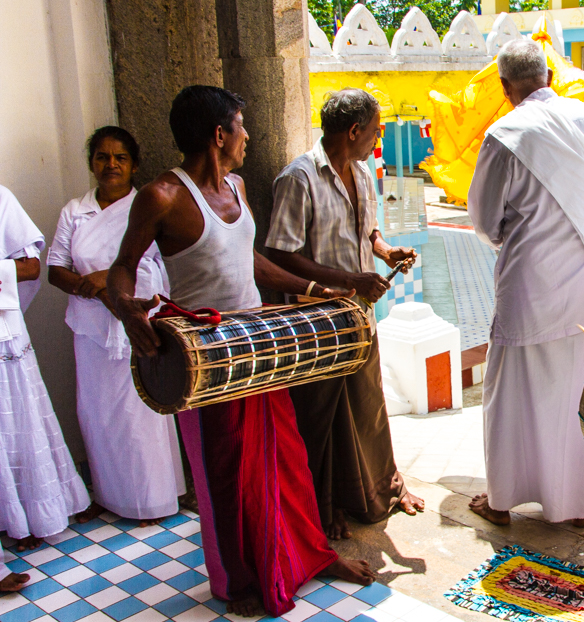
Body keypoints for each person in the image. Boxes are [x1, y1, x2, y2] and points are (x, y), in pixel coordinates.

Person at [107, 85, 375, 618]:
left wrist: (320, 290)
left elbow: (248, 261)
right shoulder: (162, 196)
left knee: (285, 457)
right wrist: (125, 308)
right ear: (219, 135)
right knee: (224, 474)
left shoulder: (238, 185)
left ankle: (308, 555)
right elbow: (122, 267)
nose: (248, 136)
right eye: (241, 125)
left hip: (256, 345)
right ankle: (240, 580)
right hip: (204, 358)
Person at [466, 38, 584, 528]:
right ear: (548, 75)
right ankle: (573, 507)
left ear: (506, 87)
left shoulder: (504, 133)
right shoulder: (583, 117)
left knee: (510, 391)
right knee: (574, 389)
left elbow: (486, 221)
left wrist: (518, 232)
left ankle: (501, 500)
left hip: (529, 282)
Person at [266, 88, 424, 541]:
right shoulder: (299, 178)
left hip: (357, 316)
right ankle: (324, 508)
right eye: (375, 132)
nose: (378, 141)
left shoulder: (361, 170)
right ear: (353, 131)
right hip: (318, 321)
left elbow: (366, 227)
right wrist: (351, 279)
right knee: (323, 418)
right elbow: (280, 254)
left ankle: (387, 490)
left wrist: (385, 249)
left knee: (368, 406)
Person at [47, 126, 185, 526]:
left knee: (140, 412)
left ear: (134, 164)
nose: (111, 165)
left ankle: (152, 500)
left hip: (138, 324)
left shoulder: (148, 205)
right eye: (102, 157)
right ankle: (109, 495)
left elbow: (160, 266)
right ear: (92, 163)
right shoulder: (75, 211)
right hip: (90, 330)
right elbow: (56, 270)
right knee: (98, 412)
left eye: (120, 158)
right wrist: (91, 287)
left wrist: (109, 278)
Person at [0, 185, 91, 551]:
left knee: (17, 421)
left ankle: (30, 515)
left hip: (4, 334)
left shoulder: (1, 198)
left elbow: (31, 266)